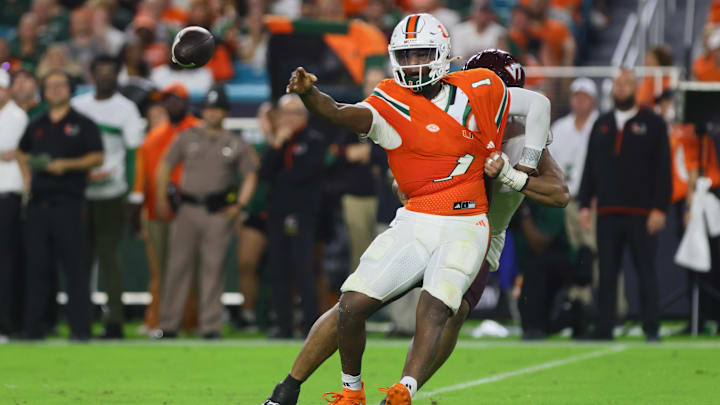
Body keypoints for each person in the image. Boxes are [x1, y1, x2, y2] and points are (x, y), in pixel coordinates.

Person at [262, 48, 565, 405]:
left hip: (479, 232)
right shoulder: (450, 110)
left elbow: (559, 192)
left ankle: (402, 391)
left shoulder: (523, 134)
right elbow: (402, 178)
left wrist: (515, 176)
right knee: (355, 302)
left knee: (448, 312)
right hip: (429, 218)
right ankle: (289, 386)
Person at [153, 84, 258, 339]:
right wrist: (161, 197)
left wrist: (239, 205)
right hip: (187, 208)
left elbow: (251, 175)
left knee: (213, 268)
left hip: (217, 212)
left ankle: (210, 326)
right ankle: (168, 325)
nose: (213, 114)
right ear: (203, 112)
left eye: (218, 109)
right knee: (177, 267)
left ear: (225, 113)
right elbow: (165, 166)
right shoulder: (187, 137)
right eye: (209, 109)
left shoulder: (235, 142)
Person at [578, 69, 672, 342]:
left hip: (642, 213)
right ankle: (605, 327)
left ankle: (651, 327)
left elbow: (662, 169)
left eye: (626, 84)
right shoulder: (602, 123)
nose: (621, 88)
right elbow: (590, 167)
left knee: (645, 270)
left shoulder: (653, 124)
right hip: (607, 212)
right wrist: (585, 204)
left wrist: (659, 208)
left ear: (636, 87)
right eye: (618, 84)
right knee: (606, 273)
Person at [16, 69, 104, 341]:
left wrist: (67, 165)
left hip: (69, 203)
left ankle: (80, 329)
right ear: (44, 91)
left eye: (60, 85)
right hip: (39, 205)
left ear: (70, 89)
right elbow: (22, 151)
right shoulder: (37, 123)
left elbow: (97, 157)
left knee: (75, 268)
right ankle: (35, 328)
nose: (55, 90)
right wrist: (28, 178)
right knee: (37, 268)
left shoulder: (83, 123)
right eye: (50, 86)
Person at [71, 55, 145, 339]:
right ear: (92, 75)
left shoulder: (126, 109)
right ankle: (82, 319)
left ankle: (114, 320)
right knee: (81, 259)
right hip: (81, 193)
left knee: (110, 257)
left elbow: (133, 155)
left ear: (118, 76)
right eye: (100, 72)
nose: (106, 78)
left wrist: (134, 194)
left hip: (113, 194)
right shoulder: (80, 105)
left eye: (111, 73)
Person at [129, 83, 201, 334]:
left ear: (185, 101)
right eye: (165, 100)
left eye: (174, 99)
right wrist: (141, 210)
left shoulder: (197, 130)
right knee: (160, 269)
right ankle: (157, 319)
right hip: (156, 210)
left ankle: (191, 321)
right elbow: (143, 179)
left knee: (190, 267)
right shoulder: (154, 137)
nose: (169, 104)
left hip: (191, 207)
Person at [260, 94, 328, 338]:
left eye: (295, 113)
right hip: (278, 214)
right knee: (278, 269)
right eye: (286, 113)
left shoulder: (315, 140)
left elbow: (306, 174)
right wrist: (277, 144)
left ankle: (311, 325)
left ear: (304, 116)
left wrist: (283, 179)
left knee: (303, 269)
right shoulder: (277, 143)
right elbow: (265, 174)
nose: (290, 119)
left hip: (303, 214)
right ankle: (283, 325)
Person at [0, 69, 30, 340]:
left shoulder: (17, 116)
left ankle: (6, 323)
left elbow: (10, 148)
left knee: (7, 263)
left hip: (8, 197)